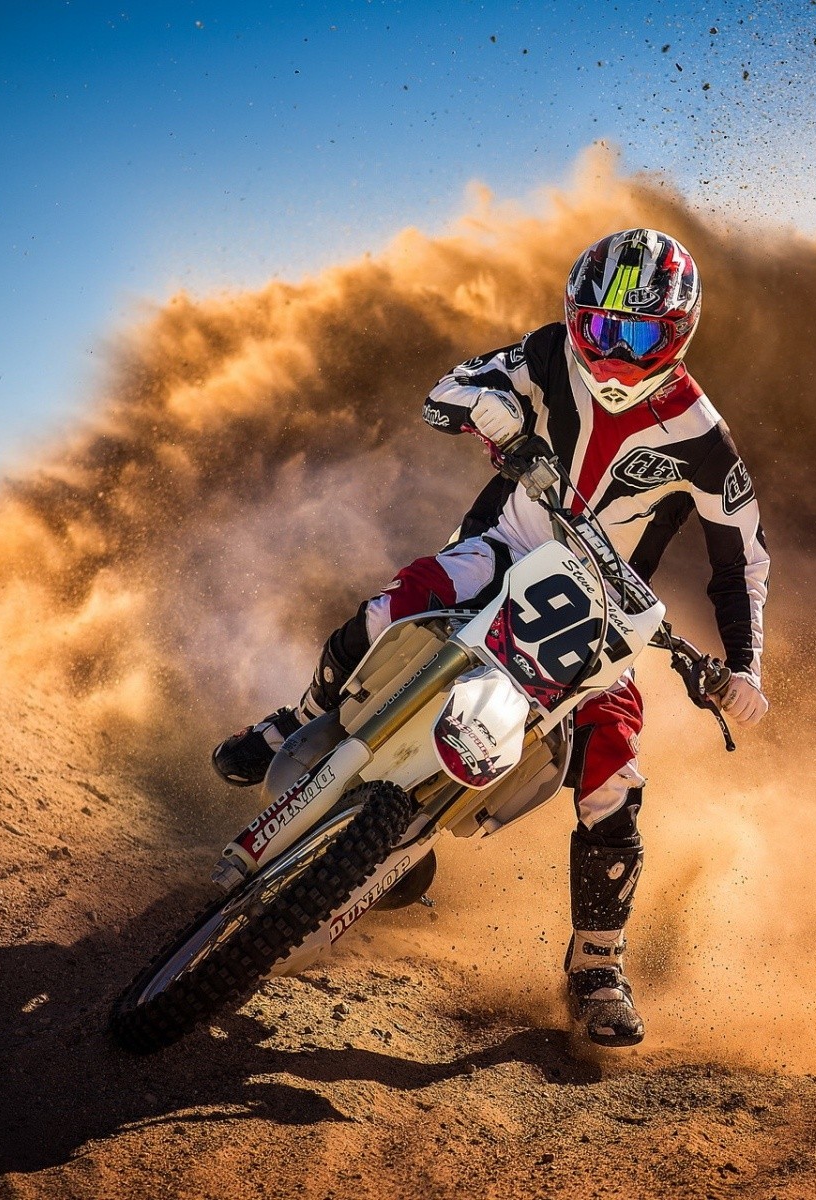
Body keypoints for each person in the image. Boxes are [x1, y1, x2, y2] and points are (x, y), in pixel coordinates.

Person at [210, 228, 771, 1047]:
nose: (612, 352)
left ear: (677, 334)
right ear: (573, 317)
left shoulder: (704, 438)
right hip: (504, 546)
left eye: (637, 334)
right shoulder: (548, 353)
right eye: (598, 326)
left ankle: (598, 967)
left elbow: (743, 562)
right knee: (389, 609)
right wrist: (482, 405)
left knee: (616, 773)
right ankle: (297, 722)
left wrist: (746, 667)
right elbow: (448, 388)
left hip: (605, 615)